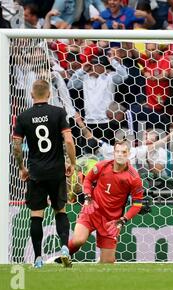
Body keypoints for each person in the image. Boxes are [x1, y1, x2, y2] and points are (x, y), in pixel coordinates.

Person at [13, 79, 76, 269]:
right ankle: (65, 247)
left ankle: (38, 258)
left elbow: (16, 145)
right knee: (60, 210)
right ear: (49, 94)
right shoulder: (58, 113)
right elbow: (69, 141)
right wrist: (72, 163)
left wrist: (22, 167)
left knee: (36, 215)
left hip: (36, 173)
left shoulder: (23, 117)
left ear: (32, 95)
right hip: (57, 171)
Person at [67, 140, 144, 263]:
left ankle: (104, 258)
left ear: (129, 154)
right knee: (78, 240)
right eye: (117, 151)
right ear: (113, 153)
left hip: (111, 221)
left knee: (107, 263)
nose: (120, 154)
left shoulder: (134, 178)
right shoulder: (102, 166)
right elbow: (87, 180)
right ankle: (64, 256)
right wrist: (87, 198)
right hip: (92, 211)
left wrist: (122, 220)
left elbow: (137, 205)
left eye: (123, 152)